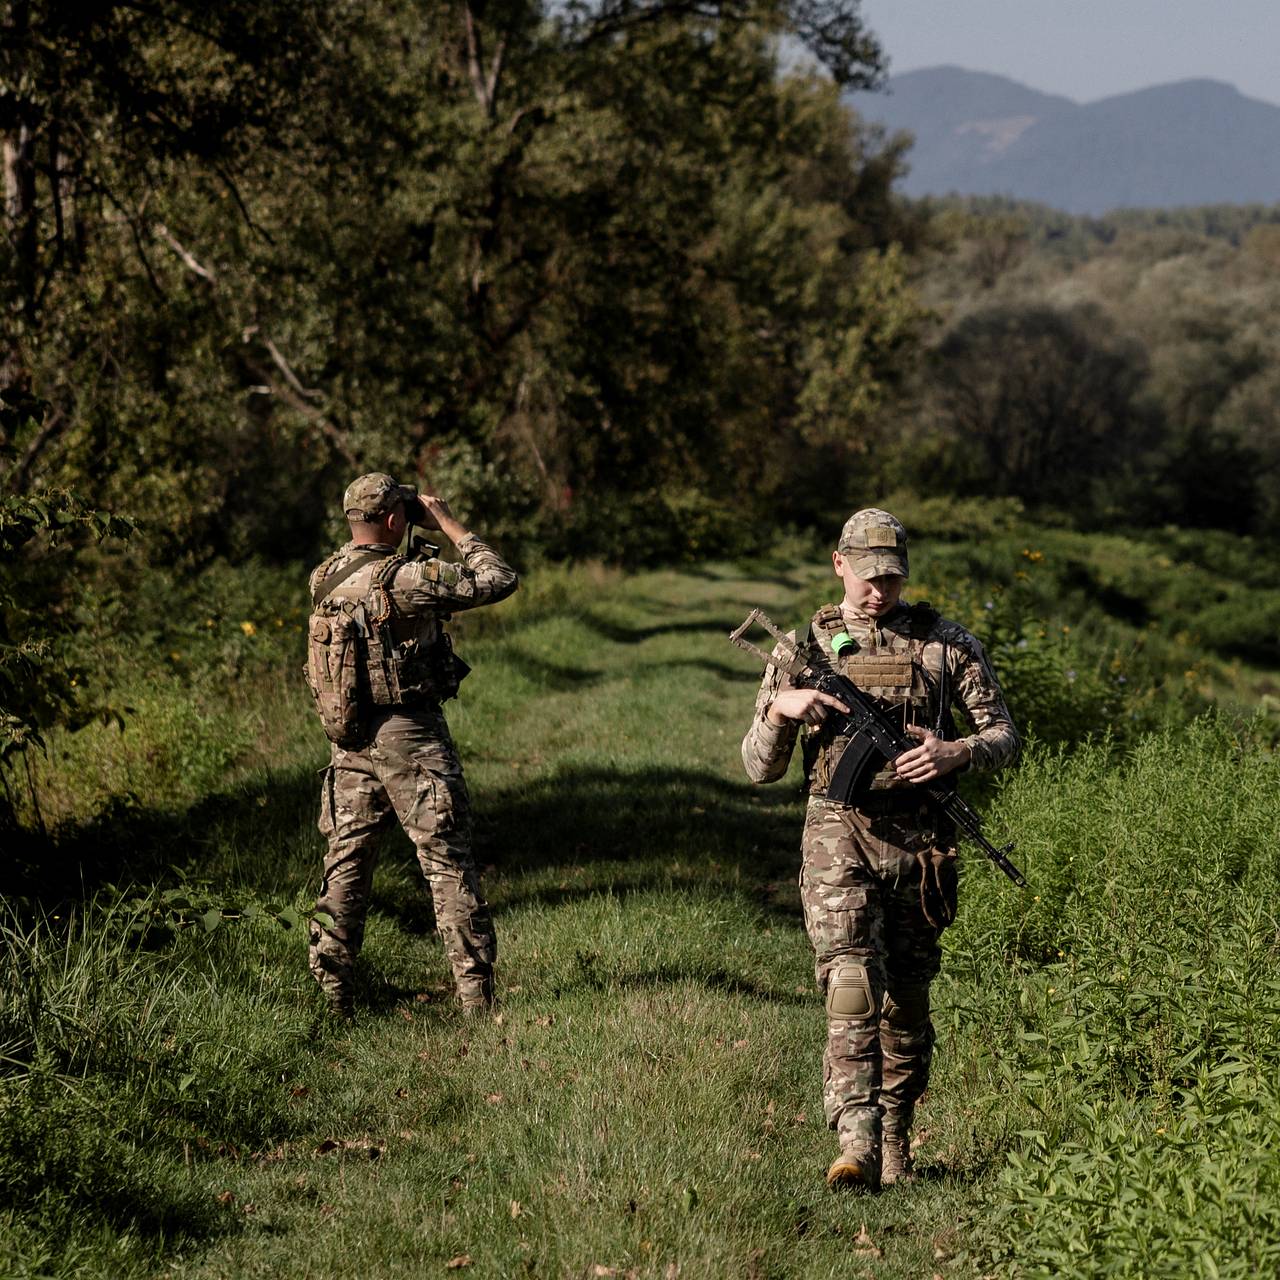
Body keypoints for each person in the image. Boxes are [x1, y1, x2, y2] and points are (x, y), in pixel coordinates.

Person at [740, 508, 1019, 1190]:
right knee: (852, 988)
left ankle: (896, 1136)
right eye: (867, 577)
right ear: (839, 564)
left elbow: (1005, 737)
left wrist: (956, 751)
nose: (878, 592)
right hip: (840, 834)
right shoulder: (803, 646)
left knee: (908, 1006)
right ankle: (856, 1144)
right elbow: (758, 767)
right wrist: (782, 712)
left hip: (923, 845)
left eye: (891, 578)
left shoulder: (946, 646)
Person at [307, 472, 518, 1018]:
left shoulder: (324, 577)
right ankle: (476, 1001)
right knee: (446, 859)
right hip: (411, 737)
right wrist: (448, 522)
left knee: (346, 862)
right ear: (397, 520)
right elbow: (498, 578)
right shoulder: (406, 579)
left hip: (348, 739)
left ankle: (333, 997)